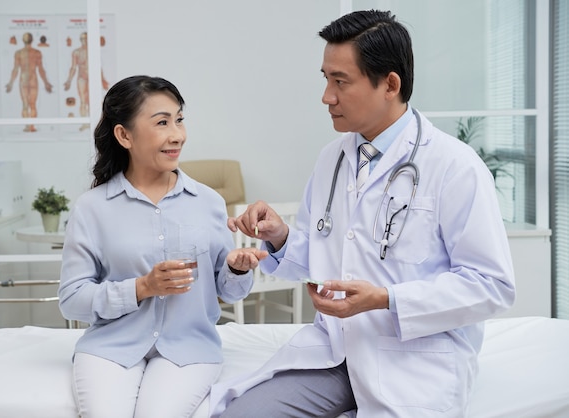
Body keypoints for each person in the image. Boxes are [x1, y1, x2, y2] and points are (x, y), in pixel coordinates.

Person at [211, 10, 516, 418]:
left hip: (412, 359)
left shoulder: (455, 166)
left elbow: (492, 285)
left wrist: (386, 300)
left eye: (341, 81)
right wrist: (282, 237)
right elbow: (327, 258)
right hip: (334, 351)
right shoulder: (331, 160)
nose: (326, 96)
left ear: (390, 83)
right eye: (325, 78)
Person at [58, 75, 268, 418]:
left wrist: (236, 268)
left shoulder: (208, 202)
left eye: (179, 119)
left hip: (189, 349)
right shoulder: (92, 208)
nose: (177, 134)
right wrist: (141, 288)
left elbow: (228, 293)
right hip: (111, 348)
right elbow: (71, 300)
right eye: (162, 122)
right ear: (124, 135)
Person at [4, 32, 53, 132]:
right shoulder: (35, 52)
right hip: (32, 79)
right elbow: (40, 69)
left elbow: (16, 69)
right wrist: (46, 82)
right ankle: (31, 126)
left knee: (26, 104)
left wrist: (11, 83)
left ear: (23, 40)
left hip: (24, 79)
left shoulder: (20, 53)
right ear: (32, 40)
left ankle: (28, 126)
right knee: (32, 104)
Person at [63, 31, 110, 131]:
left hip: (93, 78)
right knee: (83, 101)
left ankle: (96, 124)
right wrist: (69, 81)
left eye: (86, 38)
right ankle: (85, 123)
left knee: (95, 101)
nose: (84, 40)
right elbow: (73, 67)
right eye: (82, 38)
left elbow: (98, 66)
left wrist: (102, 80)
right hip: (82, 78)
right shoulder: (76, 52)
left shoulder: (94, 51)